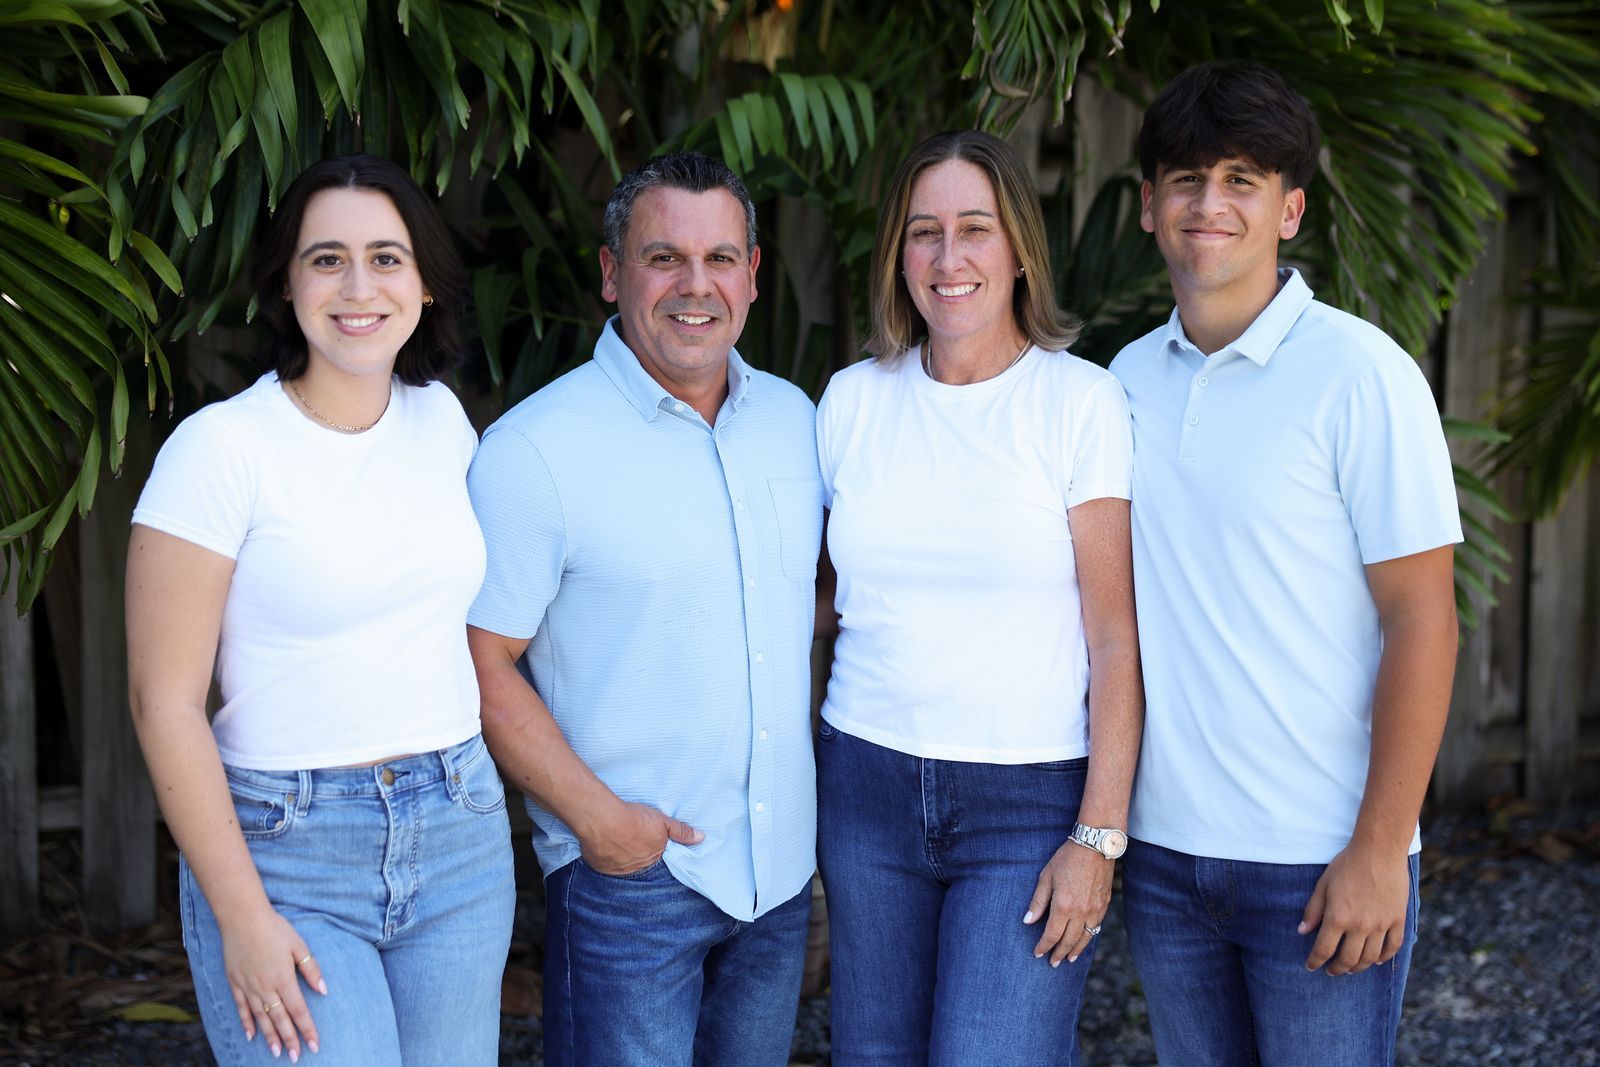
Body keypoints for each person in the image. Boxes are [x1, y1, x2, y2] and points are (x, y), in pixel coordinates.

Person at [1108, 62, 1462, 1065]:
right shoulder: (1120, 383)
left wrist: (1377, 849)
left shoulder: (1362, 376)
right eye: (1183, 178)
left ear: (1290, 209)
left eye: (1240, 179)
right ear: (1147, 205)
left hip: (1317, 859)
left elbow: (1424, 617)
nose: (1206, 203)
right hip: (1168, 858)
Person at [126, 155, 514, 1066]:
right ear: (287, 283)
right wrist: (241, 914)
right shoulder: (221, 451)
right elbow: (164, 704)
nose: (358, 286)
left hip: (457, 828)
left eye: (386, 257)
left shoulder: (442, 422)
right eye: (326, 258)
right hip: (286, 850)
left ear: (422, 285)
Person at [465, 151, 822, 1067]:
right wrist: (599, 825)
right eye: (663, 257)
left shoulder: (797, 423)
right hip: (631, 882)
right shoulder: (535, 451)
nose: (694, 285)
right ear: (613, 273)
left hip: (776, 880)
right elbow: (478, 659)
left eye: (720, 258)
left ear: (752, 275)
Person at [814, 129, 1144, 1065]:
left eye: (975, 229)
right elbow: (829, 595)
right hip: (867, 784)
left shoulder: (1080, 402)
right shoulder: (851, 401)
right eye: (924, 232)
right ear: (898, 254)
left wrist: (1098, 836)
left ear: (1018, 249)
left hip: (1028, 801)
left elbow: (1115, 639)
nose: (948, 258)